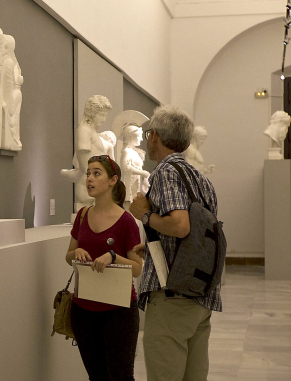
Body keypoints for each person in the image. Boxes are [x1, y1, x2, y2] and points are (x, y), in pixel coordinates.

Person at [129, 105, 220, 381]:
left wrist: (144, 215)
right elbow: (195, 234)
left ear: (155, 136)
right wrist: (155, 243)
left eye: (148, 134)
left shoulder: (166, 171)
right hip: (201, 296)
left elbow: (180, 226)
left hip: (172, 298)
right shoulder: (200, 178)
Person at [65, 155, 144, 381]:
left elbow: (137, 268)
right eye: (88, 173)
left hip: (119, 311)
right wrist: (76, 253)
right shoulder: (82, 216)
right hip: (83, 309)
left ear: (112, 180)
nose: (89, 178)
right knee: (96, 376)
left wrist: (113, 256)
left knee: (120, 376)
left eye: (96, 173)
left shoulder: (126, 221)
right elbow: (68, 256)